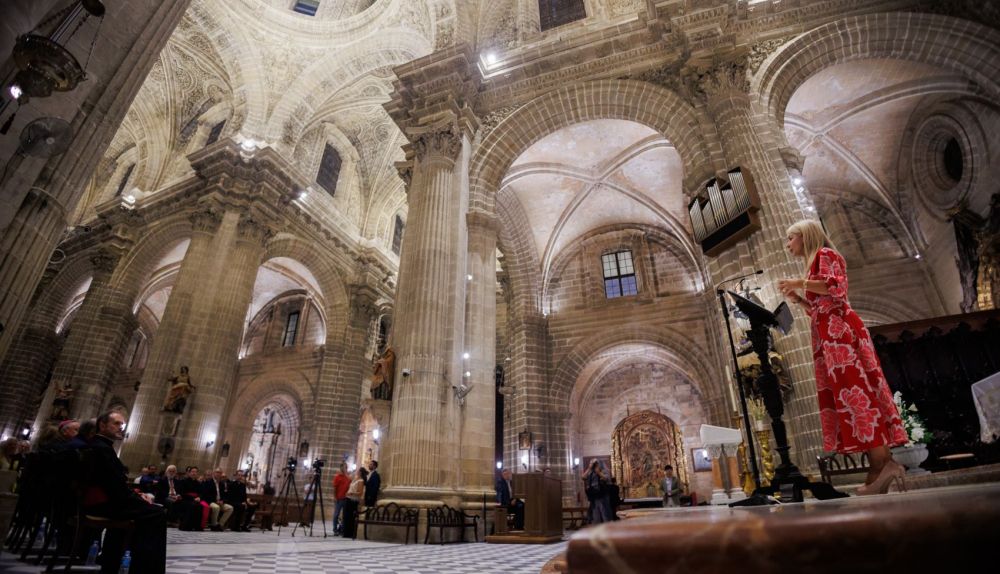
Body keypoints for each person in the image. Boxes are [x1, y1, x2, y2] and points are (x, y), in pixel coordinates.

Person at [779, 219, 908, 495]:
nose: (788, 245)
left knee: (858, 394)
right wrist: (800, 299)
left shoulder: (826, 254)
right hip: (830, 335)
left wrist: (800, 282)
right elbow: (819, 309)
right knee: (854, 395)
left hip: (841, 334)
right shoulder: (814, 263)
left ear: (805, 236)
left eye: (791, 238)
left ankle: (880, 466)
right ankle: (884, 464)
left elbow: (836, 288)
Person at [79, 411, 166, 574]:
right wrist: (137, 497)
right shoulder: (101, 448)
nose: (121, 428)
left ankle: (111, 561)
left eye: (122, 424)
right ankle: (144, 569)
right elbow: (114, 487)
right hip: (104, 503)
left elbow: (114, 483)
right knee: (157, 513)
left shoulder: (98, 445)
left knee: (145, 510)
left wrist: (135, 496)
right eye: (117, 423)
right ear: (102, 425)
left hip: (102, 501)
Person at [342, 467, 367, 539]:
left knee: (350, 517)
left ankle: (349, 533)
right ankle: (345, 532)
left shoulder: (361, 481)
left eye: (358, 471)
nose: (356, 471)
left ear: (361, 472)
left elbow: (360, 492)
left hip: (353, 501)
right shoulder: (355, 479)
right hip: (348, 499)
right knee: (346, 517)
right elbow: (348, 478)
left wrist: (351, 493)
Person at [582, 459, 610, 524]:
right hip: (594, 496)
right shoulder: (590, 472)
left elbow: (606, 478)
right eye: (591, 463)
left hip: (602, 495)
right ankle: (597, 528)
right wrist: (589, 468)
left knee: (605, 513)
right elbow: (583, 477)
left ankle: (607, 528)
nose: (593, 465)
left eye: (594, 463)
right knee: (595, 514)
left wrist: (598, 472)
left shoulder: (603, 470)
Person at [331, 462, 351, 535]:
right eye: (344, 467)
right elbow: (335, 488)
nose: (345, 468)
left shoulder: (348, 477)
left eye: (346, 467)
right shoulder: (337, 476)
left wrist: (347, 475)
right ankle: (335, 529)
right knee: (336, 515)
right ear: (341, 468)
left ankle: (342, 529)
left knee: (345, 515)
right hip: (339, 498)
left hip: (346, 499)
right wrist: (334, 497)